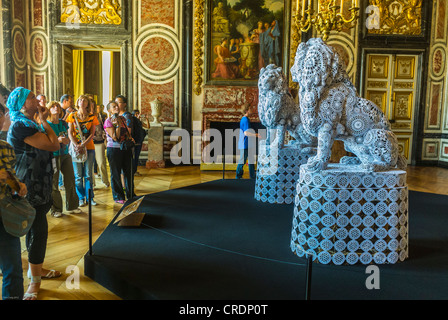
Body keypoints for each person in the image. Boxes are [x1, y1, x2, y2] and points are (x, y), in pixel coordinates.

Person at [6, 87, 61, 300]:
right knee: (38, 230)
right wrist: (45, 121)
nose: (35, 99)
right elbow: (53, 144)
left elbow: (49, 144)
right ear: (22, 105)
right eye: (30, 98)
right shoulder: (21, 125)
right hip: (29, 185)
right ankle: (34, 282)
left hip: (40, 182)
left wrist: (41, 119)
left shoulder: (29, 123)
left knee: (35, 228)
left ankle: (35, 268)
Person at [0, 102, 28, 300]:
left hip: (6, 215)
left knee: (13, 270)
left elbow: (12, 181)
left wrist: (19, 187)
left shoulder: (7, 149)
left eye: (0, 114)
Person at [46, 101, 81, 217]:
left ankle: (72, 206)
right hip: (53, 155)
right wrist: (58, 140)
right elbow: (45, 141)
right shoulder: (46, 124)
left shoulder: (63, 123)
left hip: (65, 154)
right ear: (49, 109)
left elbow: (69, 135)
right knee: (54, 183)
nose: (56, 108)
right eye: (53, 106)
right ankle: (56, 209)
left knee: (70, 180)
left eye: (57, 106)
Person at [66, 95, 99, 207]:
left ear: (88, 104)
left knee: (88, 175)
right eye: (80, 99)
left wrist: (83, 144)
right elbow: (70, 132)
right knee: (78, 176)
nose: (82, 101)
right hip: (76, 148)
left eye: (84, 100)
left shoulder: (92, 117)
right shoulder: (72, 115)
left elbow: (92, 133)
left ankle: (90, 198)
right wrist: (77, 145)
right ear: (77, 102)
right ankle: (80, 198)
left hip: (89, 148)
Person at [104, 101, 135, 204]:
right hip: (113, 149)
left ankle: (131, 194)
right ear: (109, 110)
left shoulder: (123, 118)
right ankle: (118, 196)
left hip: (125, 149)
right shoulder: (108, 121)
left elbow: (126, 132)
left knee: (128, 172)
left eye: (117, 105)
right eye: (114, 106)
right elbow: (115, 137)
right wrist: (117, 126)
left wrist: (130, 138)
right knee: (116, 173)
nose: (116, 107)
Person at [236, 103, 260, 179]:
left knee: (251, 161)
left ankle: (252, 176)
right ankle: (238, 177)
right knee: (242, 161)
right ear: (247, 110)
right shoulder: (245, 119)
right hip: (245, 144)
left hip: (247, 144)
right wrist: (256, 135)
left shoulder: (245, 119)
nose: (252, 110)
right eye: (250, 108)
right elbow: (246, 133)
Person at [92, 99, 110, 188]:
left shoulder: (99, 115)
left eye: (93, 105)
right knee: (90, 165)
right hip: (89, 142)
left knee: (102, 162)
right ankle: (92, 184)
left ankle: (105, 180)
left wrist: (104, 136)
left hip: (99, 141)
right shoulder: (85, 116)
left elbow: (103, 127)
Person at [131, 109, 148, 176]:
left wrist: (147, 119)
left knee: (136, 157)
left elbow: (148, 126)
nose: (138, 115)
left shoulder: (139, 122)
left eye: (138, 114)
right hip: (134, 142)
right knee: (133, 157)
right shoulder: (132, 122)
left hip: (139, 141)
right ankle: (133, 171)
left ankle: (134, 170)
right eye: (136, 114)